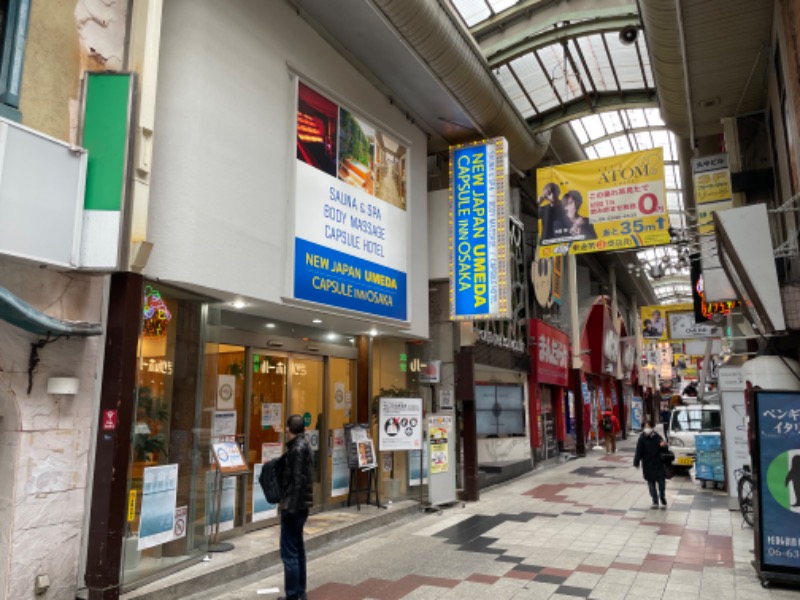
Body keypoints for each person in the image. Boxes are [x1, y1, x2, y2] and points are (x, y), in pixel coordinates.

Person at [279, 414, 314, 600]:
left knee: (289, 553)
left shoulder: (297, 449)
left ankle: (293, 595)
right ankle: (300, 592)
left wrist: (290, 508)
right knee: (298, 549)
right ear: (304, 430)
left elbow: (298, 481)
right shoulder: (305, 445)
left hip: (295, 507)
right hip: (301, 506)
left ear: (287, 429)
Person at [633, 420, 669, 509]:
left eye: (648, 426)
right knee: (651, 483)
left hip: (658, 463)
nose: (647, 429)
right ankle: (655, 501)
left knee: (661, 482)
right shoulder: (641, 438)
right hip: (647, 463)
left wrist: (664, 446)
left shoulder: (657, 437)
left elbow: (665, 450)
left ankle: (662, 498)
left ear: (652, 427)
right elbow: (639, 451)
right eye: (645, 427)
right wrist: (636, 462)